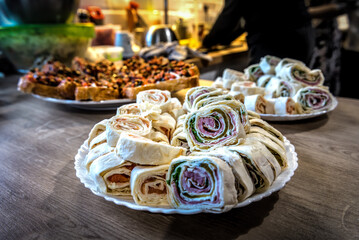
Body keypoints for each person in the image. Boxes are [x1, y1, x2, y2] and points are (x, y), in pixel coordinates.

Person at [202, 0, 315, 66]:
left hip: (274, 41)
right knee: (295, 88)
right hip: (302, 37)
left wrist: (208, 41)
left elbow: (227, 18)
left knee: (266, 91)